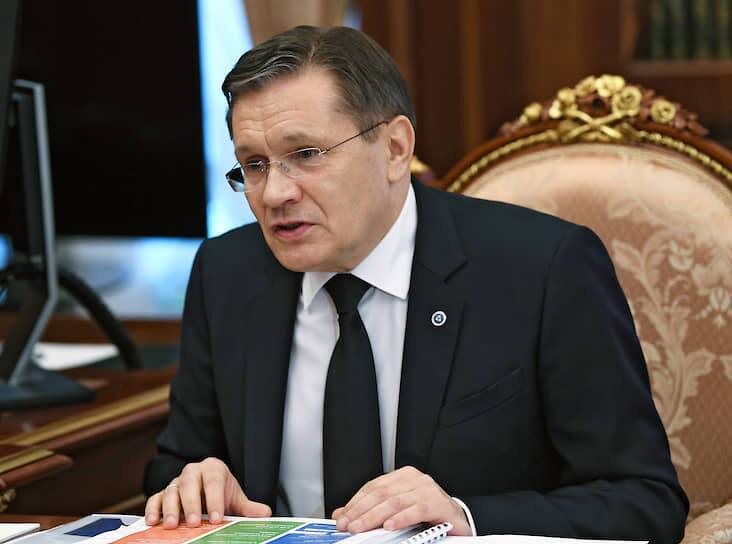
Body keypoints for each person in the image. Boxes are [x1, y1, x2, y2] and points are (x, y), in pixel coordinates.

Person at [143, 25, 688, 542]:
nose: (274, 194)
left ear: (395, 149)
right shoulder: (226, 273)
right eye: (255, 165)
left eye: (305, 155)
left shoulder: (543, 270)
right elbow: (176, 466)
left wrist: (467, 518)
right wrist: (195, 486)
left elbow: (644, 501)